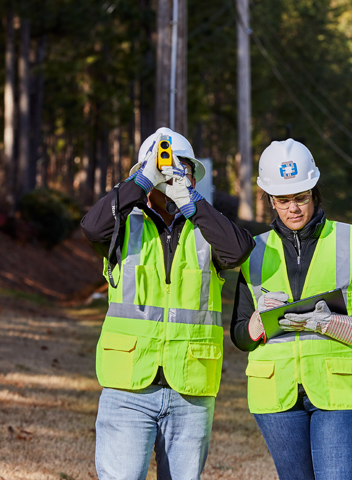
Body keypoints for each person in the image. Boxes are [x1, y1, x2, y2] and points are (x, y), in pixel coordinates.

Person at [81, 127, 255, 480]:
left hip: (190, 389)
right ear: (144, 172)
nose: (170, 173)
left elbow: (238, 250)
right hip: (128, 385)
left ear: (192, 176)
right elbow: (91, 228)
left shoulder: (206, 227)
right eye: (161, 167)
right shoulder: (124, 225)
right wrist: (143, 183)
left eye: (181, 168)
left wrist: (192, 203)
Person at [230, 138, 352, 480]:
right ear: (271, 200)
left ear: (314, 193)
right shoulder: (254, 251)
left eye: (301, 198)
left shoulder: (350, 241)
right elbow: (239, 333)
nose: (293, 208)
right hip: (277, 394)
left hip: (341, 390)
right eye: (283, 200)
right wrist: (258, 322)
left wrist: (337, 324)